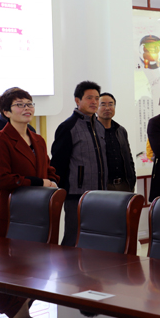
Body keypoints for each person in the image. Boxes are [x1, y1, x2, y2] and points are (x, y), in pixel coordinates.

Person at [0, 88, 58, 237]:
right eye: (20, 104)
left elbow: (48, 168)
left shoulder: (38, 139)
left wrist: (52, 181)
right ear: (7, 112)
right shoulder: (0, 140)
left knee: (40, 249)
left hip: (39, 206)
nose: (27, 108)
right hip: (12, 209)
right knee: (10, 250)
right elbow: (1, 179)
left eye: (29, 104)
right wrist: (39, 182)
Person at [51, 81, 107, 247]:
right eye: (89, 98)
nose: (94, 102)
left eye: (96, 98)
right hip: (76, 195)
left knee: (96, 237)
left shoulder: (99, 126)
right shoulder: (67, 127)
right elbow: (58, 163)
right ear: (77, 100)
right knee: (73, 237)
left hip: (100, 193)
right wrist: (63, 191)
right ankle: (67, 264)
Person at [97, 93, 137, 192]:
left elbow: (128, 157)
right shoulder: (92, 131)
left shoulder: (121, 130)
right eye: (103, 104)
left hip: (124, 185)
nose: (107, 108)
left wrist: (132, 179)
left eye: (110, 104)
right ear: (96, 108)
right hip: (103, 186)